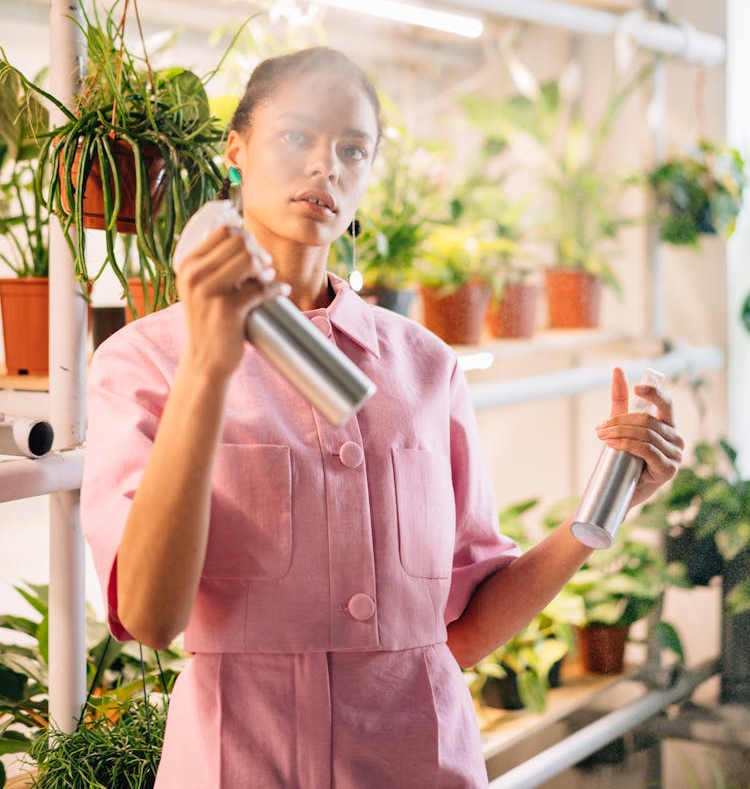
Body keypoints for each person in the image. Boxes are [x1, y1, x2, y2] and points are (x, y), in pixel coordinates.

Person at [81, 47, 684, 788]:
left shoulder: (426, 366)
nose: (324, 166)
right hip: (238, 766)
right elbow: (149, 615)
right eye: (296, 136)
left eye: (352, 149)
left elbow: (460, 633)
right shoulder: (144, 360)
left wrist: (610, 502)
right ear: (234, 151)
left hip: (420, 766)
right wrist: (210, 363)